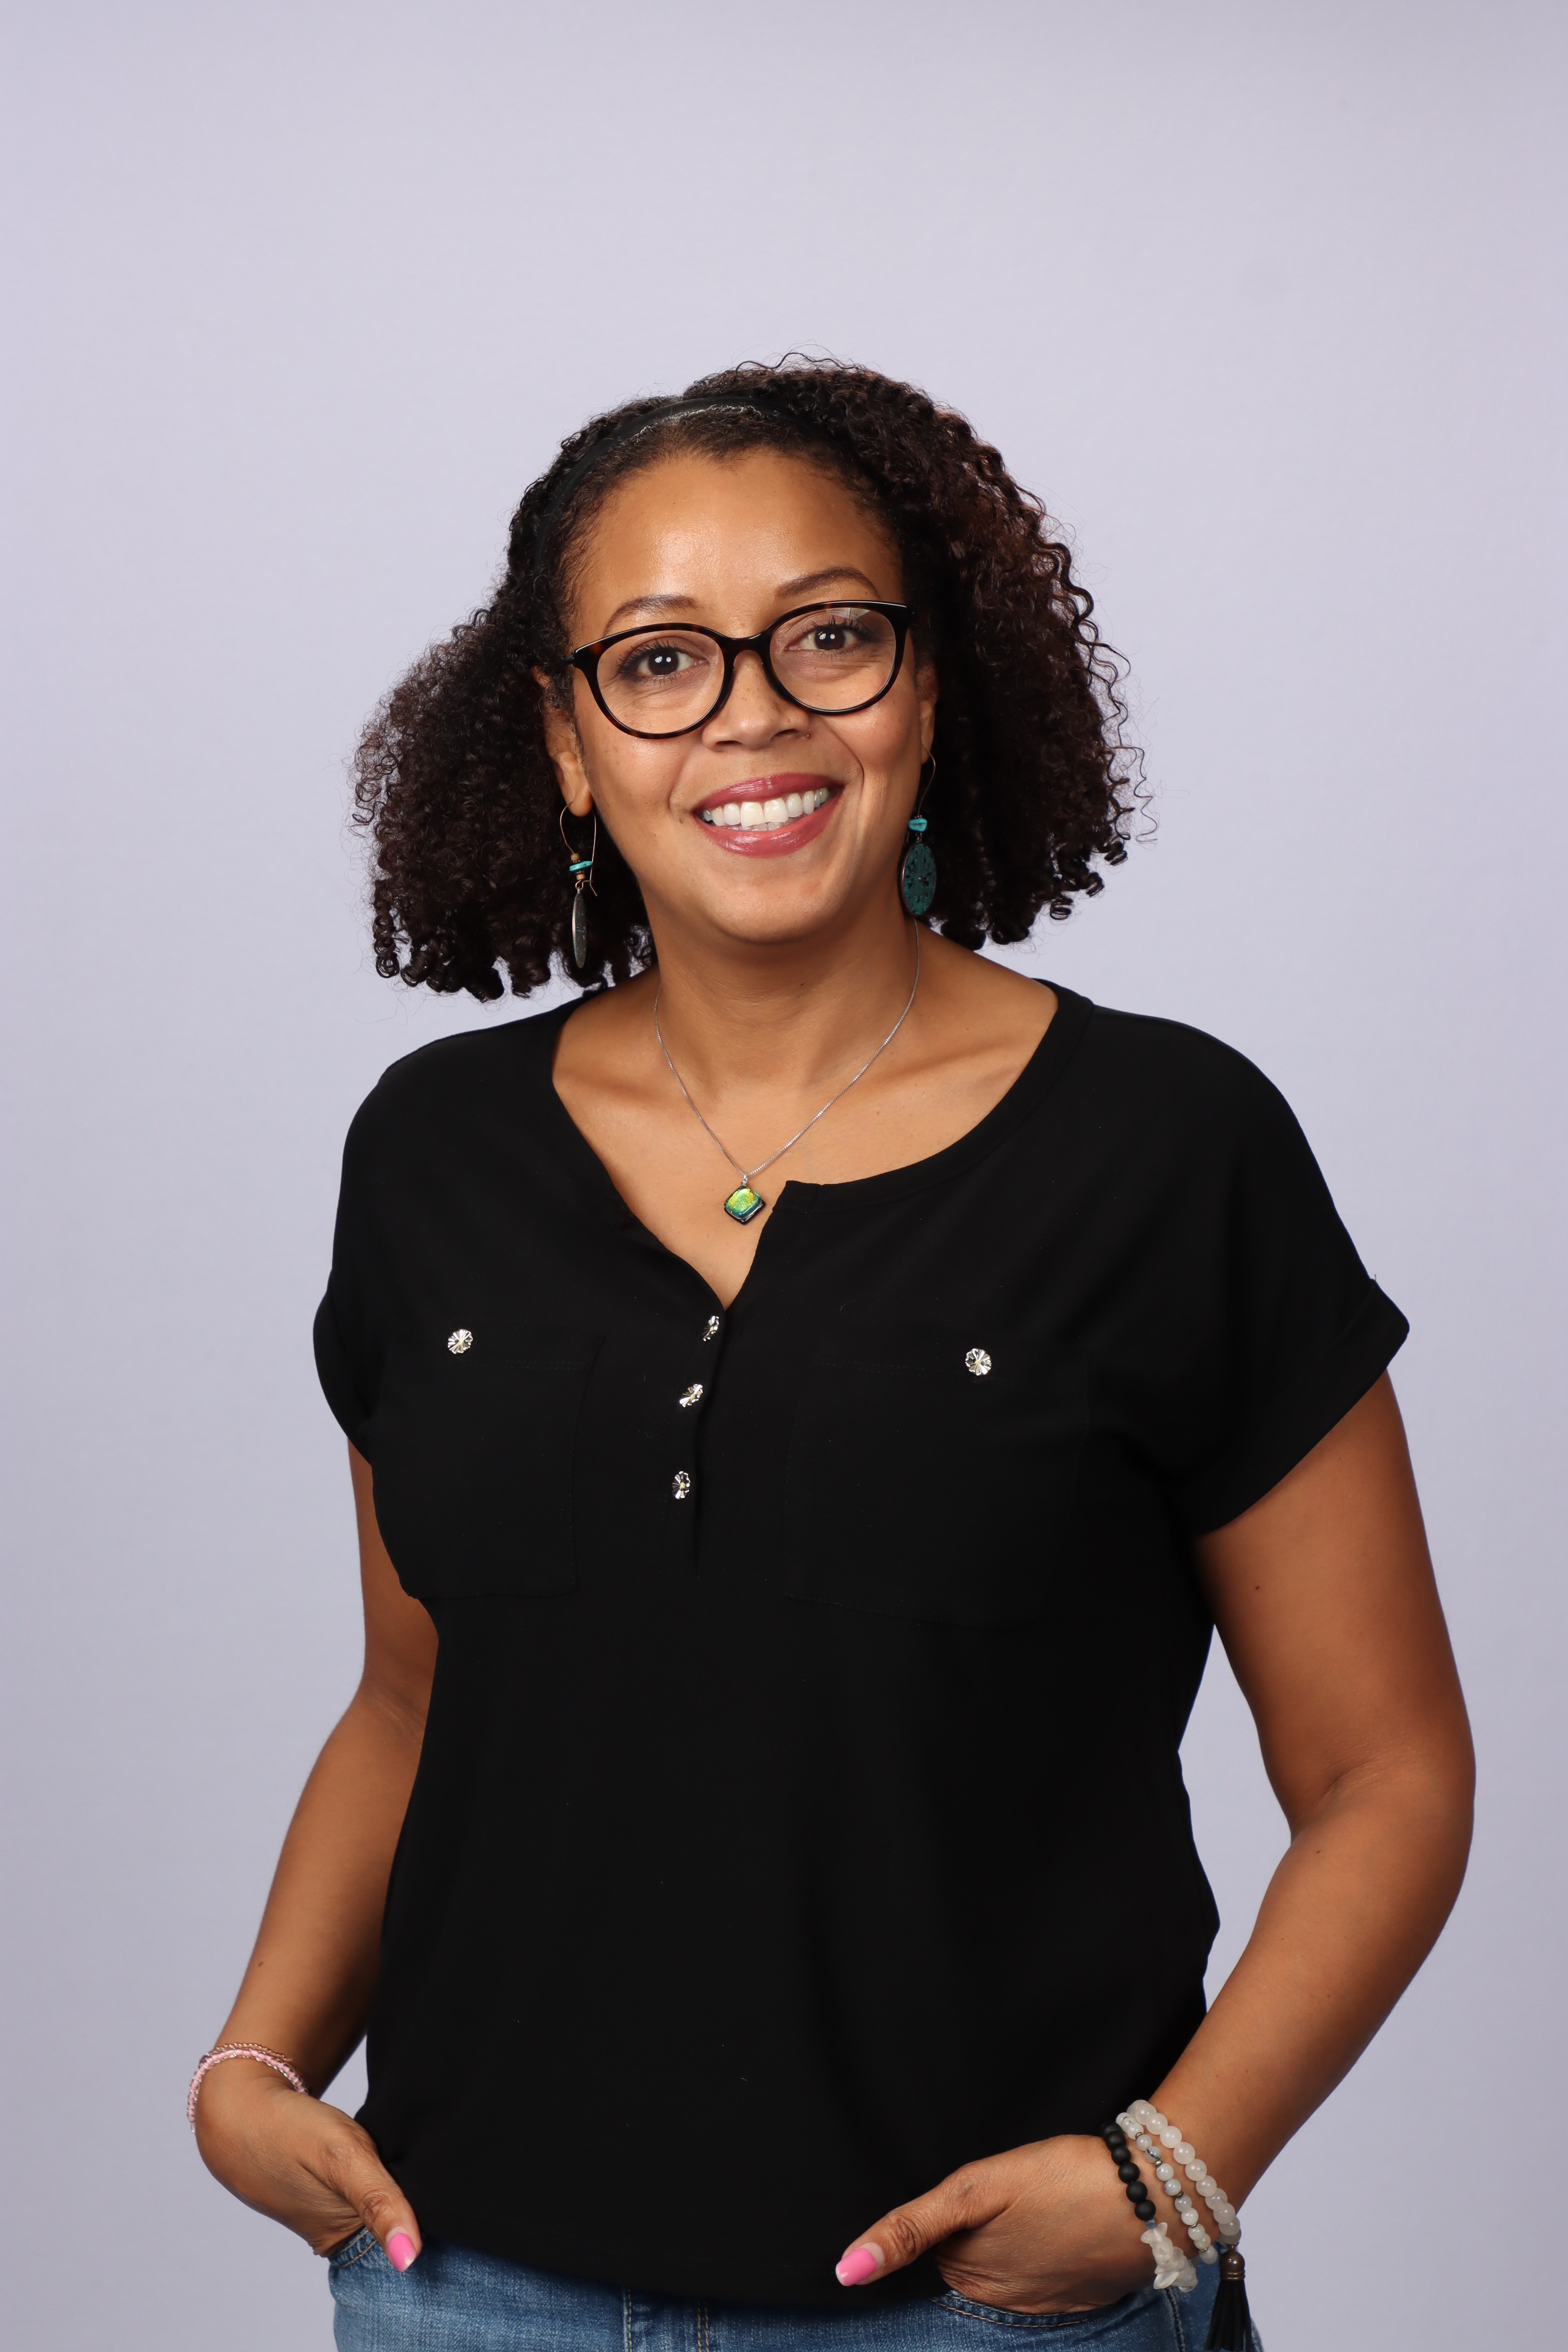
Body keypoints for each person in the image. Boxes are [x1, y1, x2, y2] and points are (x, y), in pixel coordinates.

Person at [192, 362, 1474, 2352]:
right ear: (564, 744)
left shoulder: (1168, 1149)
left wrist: (1169, 2179)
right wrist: (254, 2065)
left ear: (926, 689)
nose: (752, 715)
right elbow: (412, 1694)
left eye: (828, 636)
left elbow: (1383, 1770)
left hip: (987, 2311)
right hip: (469, 2287)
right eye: (659, 661)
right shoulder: (430, 1150)